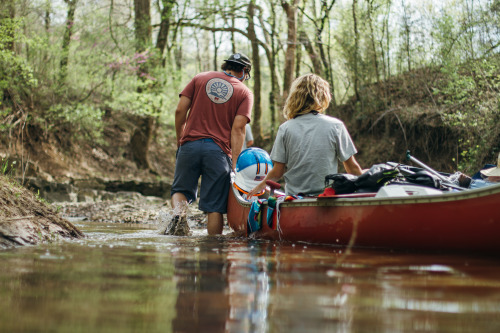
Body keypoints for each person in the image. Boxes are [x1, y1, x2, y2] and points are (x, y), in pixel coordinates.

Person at [167, 53, 254, 236]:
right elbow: (238, 129)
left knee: (180, 190)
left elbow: (180, 110)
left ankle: (178, 219)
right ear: (244, 71)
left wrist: (180, 139)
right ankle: (213, 250)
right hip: (218, 152)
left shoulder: (200, 78)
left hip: (189, 146)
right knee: (215, 206)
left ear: (226, 66)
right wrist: (235, 163)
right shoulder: (244, 92)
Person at [247, 74, 363, 197]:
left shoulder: (285, 128)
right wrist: (369, 183)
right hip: (326, 200)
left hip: (295, 200)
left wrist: (259, 187)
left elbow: (277, 172)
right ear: (323, 96)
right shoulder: (336, 126)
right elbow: (353, 169)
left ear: (295, 97)